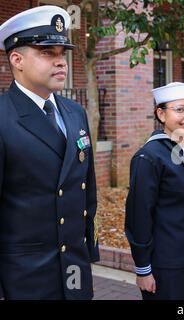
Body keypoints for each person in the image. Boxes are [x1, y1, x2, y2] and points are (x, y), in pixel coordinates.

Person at [0, 6, 99, 299]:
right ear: (16, 59)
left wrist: (88, 250)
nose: (61, 63)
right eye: (47, 53)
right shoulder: (4, 118)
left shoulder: (75, 113)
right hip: (24, 277)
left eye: (62, 53)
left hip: (75, 269)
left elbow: (87, 191)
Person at [125, 82, 184, 300]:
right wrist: (143, 268)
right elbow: (139, 214)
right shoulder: (149, 157)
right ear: (161, 114)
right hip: (167, 261)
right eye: (180, 109)